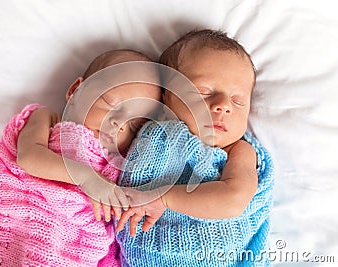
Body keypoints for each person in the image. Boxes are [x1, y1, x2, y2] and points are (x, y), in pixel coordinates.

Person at [0, 49, 162, 267]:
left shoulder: (121, 165)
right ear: (75, 90)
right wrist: (87, 178)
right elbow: (29, 157)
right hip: (22, 234)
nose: (119, 123)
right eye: (111, 103)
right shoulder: (46, 119)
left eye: (134, 124)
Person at [115, 29, 274, 266]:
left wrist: (165, 199)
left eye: (237, 101)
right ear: (166, 96)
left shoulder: (238, 151)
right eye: (205, 92)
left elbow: (234, 199)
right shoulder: (149, 132)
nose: (223, 106)